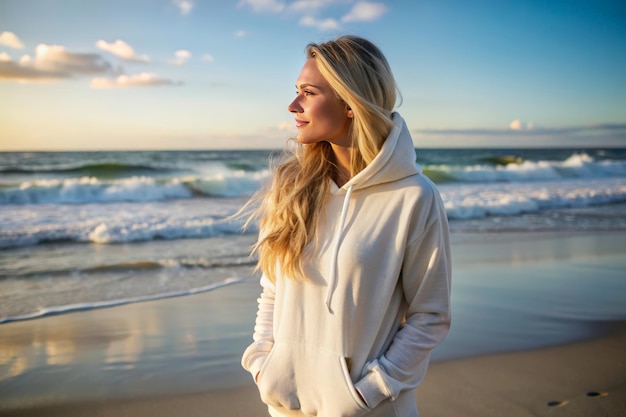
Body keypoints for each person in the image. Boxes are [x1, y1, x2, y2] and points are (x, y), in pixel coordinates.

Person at [241, 35, 451, 417]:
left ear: (349, 102)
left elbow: (430, 316)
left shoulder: (414, 197)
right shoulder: (291, 189)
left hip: (370, 410)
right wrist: (262, 365)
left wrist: (368, 392)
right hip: (287, 410)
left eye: (308, 92)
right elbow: (272, 292)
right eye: (296, 92)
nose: (293, 106)